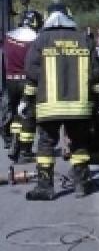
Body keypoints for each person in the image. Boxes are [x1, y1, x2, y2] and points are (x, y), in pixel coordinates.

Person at [23, 1, 99, 201]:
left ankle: (45, 187)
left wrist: (28, 100)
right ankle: (82, 184)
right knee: (79, 143)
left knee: (46, 144)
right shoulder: (84, 39)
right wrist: (98, 99)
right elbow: (95, 74)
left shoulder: (41, 40)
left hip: (49, 106)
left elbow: (31, 72)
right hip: (80, 107)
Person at [2, 10, 42, 161]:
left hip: (10, 81)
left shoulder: (9, 37)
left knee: (16, 114)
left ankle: (14, 141)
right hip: (27, 81)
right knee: (29, 115)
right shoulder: (35, 39)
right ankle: (25, 150)